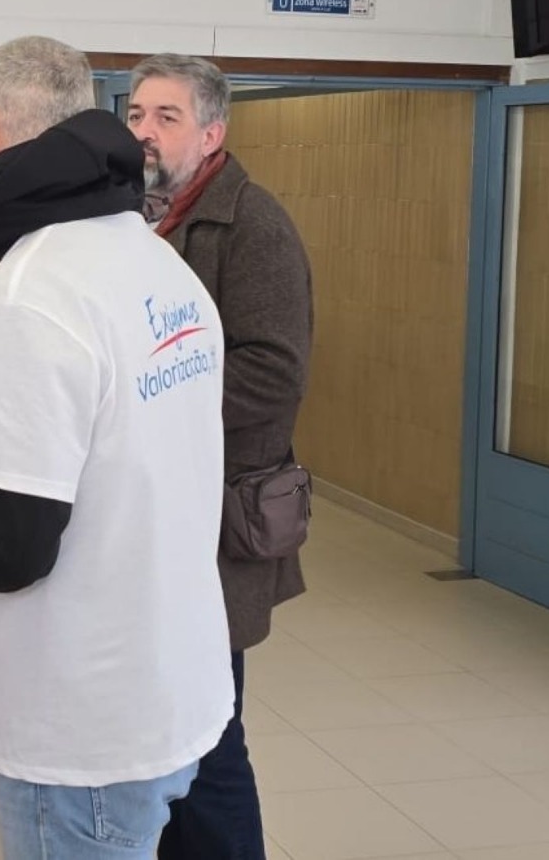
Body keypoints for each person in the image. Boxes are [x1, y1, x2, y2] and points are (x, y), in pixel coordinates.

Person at [0, 36, 233, 859]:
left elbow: (4, 545)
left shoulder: (29, 292)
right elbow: (114, 455)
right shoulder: (158, 264)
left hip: (81, 725)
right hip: (174, 686)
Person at [128, 53, 313, 860]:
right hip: (162, 515)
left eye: (166, 117)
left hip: (218, 525)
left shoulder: (254, 226)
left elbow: (274, 374)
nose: (144, 132)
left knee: (208, 745)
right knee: (169, 738)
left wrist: (152, 401)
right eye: (136, 115)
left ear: (212, 133)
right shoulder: (140, 218)